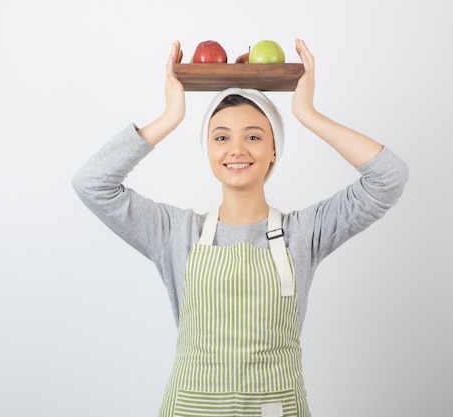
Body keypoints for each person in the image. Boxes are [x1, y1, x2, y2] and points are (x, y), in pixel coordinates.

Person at [72, 39, 409, 417]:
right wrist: (170, 117)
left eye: (253, 136)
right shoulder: (175, 233)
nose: (236, 150)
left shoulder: (305, 233)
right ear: (208, 151)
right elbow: (91, 183)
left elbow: (389, 178)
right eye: (221, 137)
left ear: (274, 150)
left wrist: (308, 114)